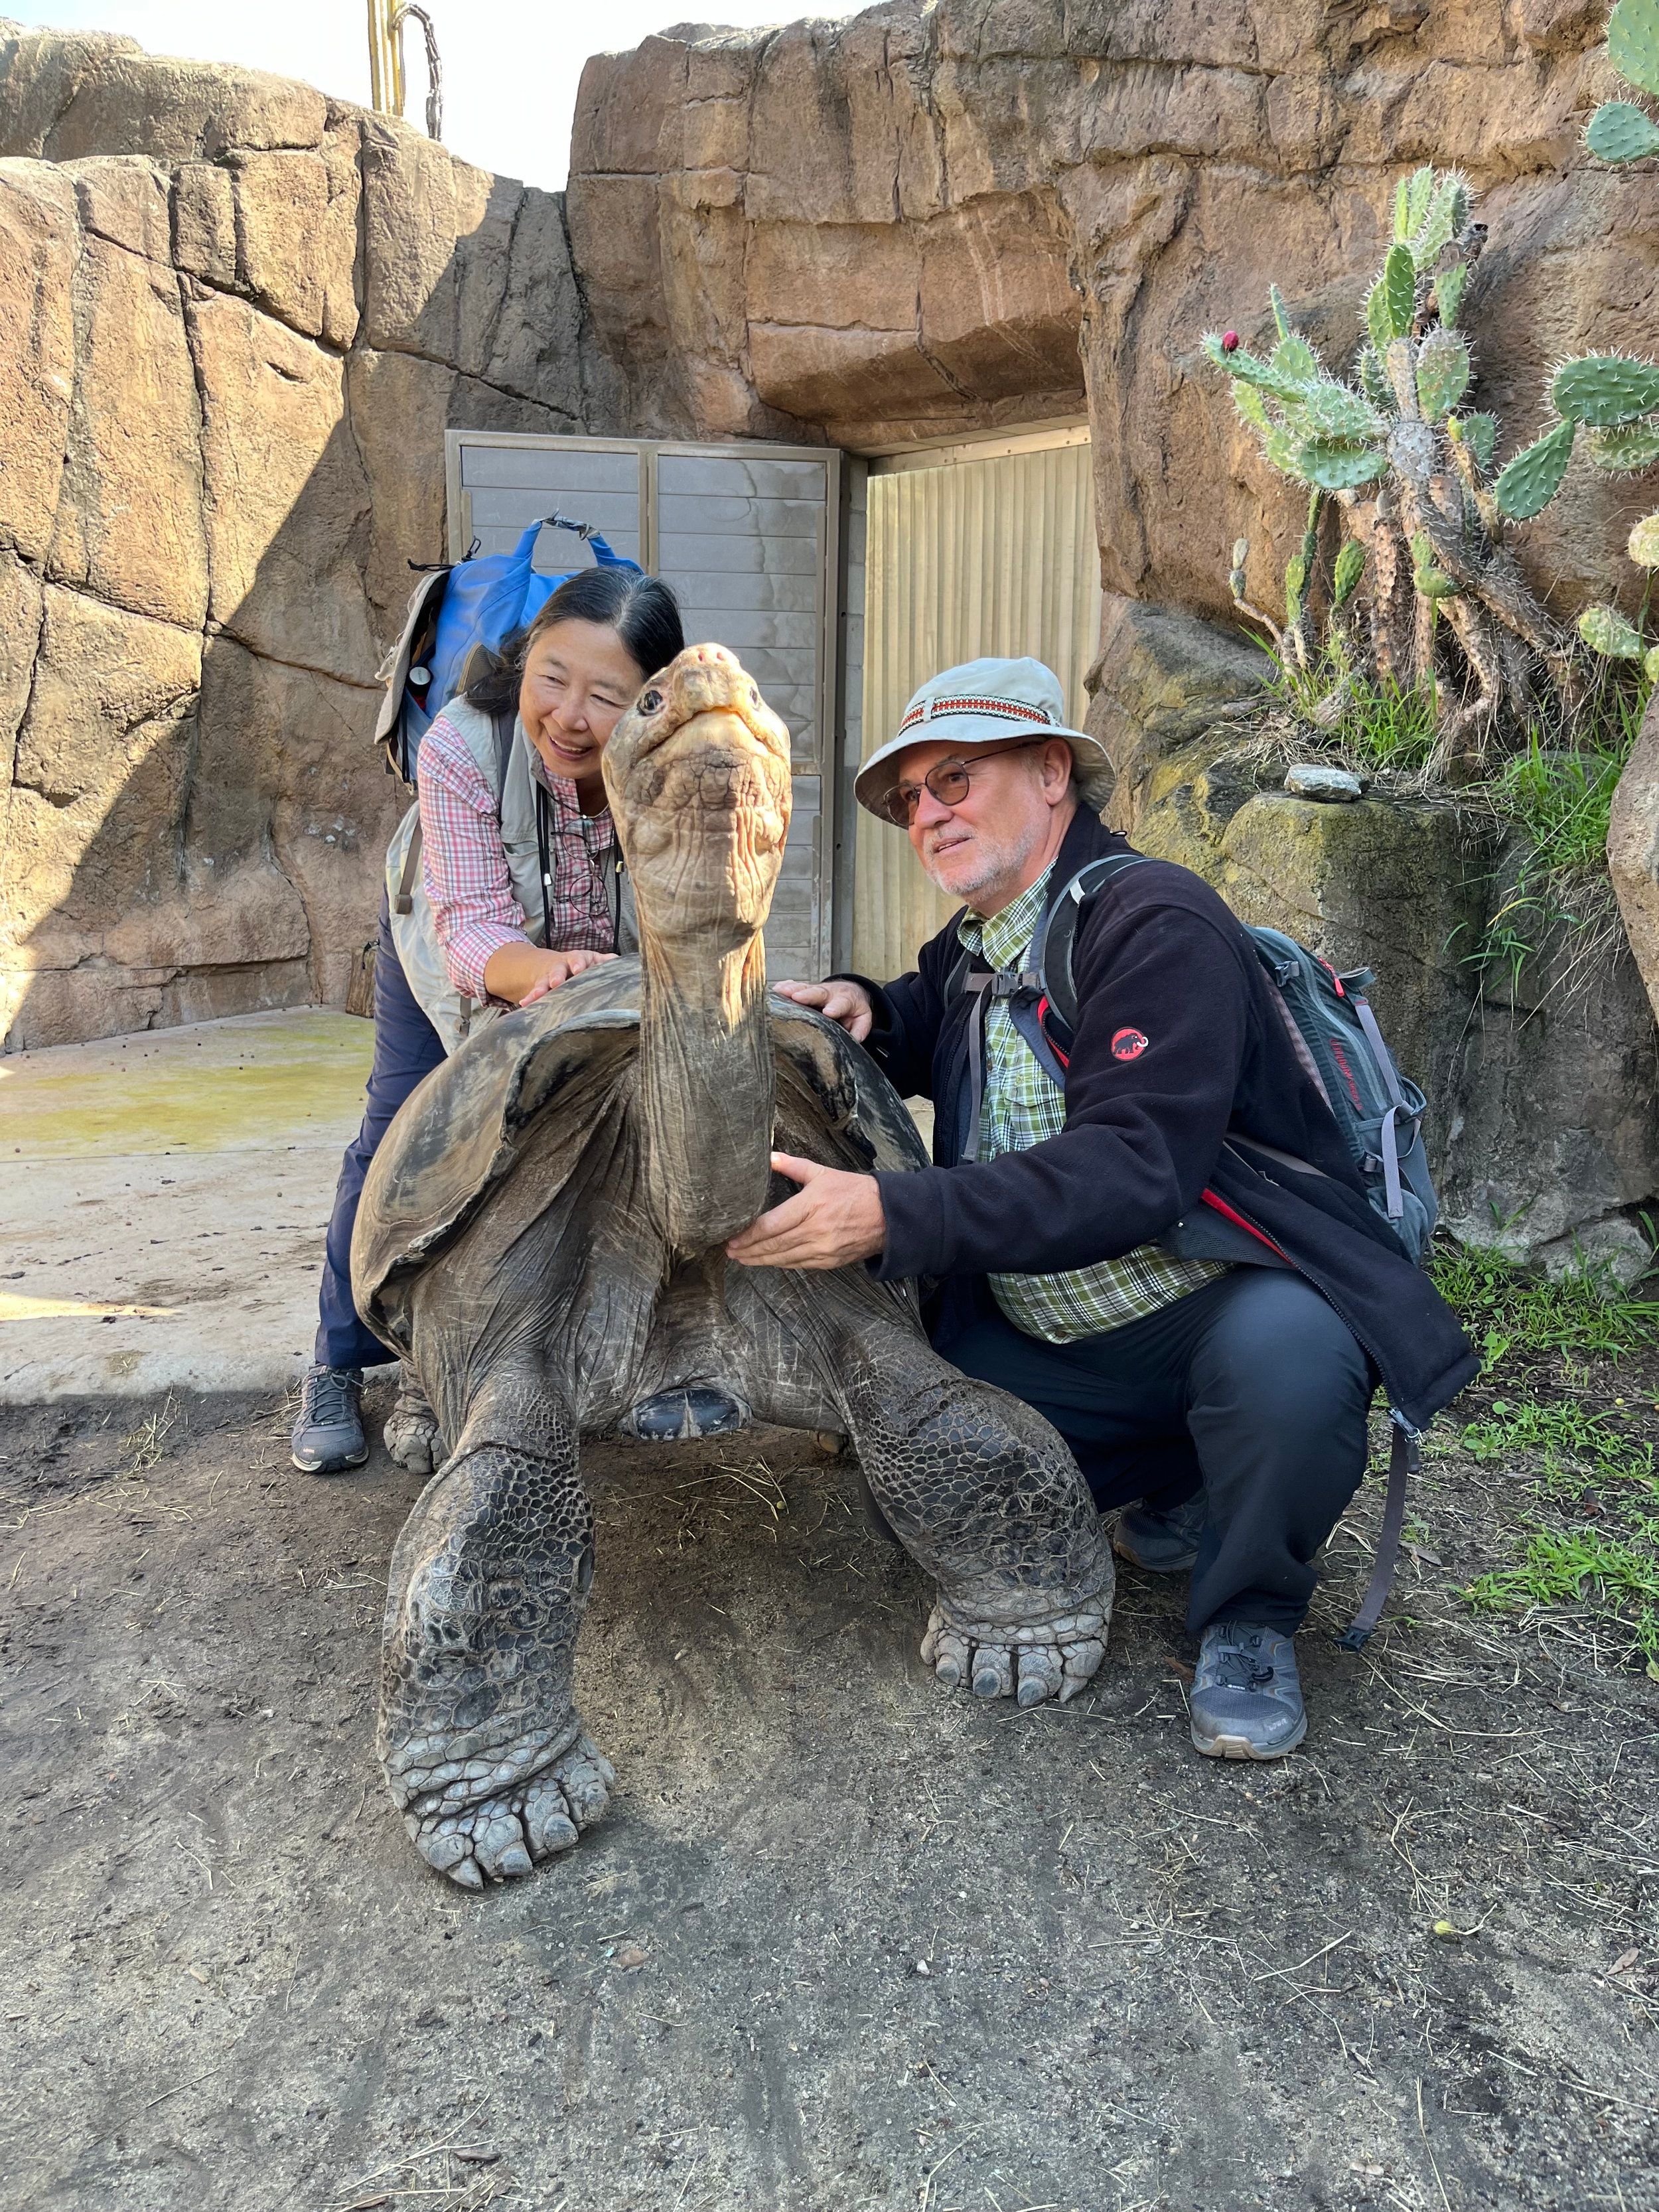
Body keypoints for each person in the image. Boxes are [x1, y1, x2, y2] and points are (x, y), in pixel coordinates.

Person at [729, 656, 1476, 1761]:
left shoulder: (1155, 921)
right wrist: (875, 1008)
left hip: (1209, 1304)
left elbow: (1136, 1167)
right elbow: (941, 1004)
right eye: (913, 800)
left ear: (1049, 773)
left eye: (957, 780)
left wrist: (895, 1212)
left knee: (1291, 1365)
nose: (929, 815)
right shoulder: (983, 941)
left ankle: (1251, 1614)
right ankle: (1177, 1479)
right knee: (914, 1485)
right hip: (1048, 1326)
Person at [291, 567, 685, 1476]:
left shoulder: (675, 762)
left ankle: (572, 1341)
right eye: (553, 676)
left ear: (654, 700)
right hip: (457, 953)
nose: (571, 715)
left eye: (609, 696)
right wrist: (549, 975)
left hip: (600, 971)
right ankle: (339, 1360)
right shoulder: (465, 743)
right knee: (407, 1134)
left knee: (601, 1138)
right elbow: (470, 929)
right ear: (527, 656)